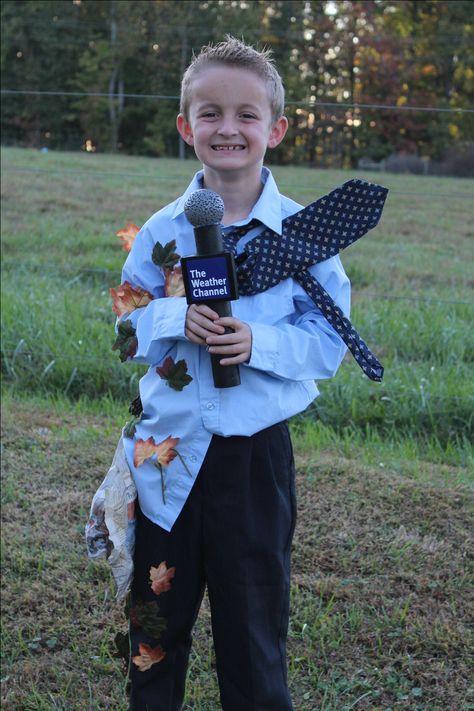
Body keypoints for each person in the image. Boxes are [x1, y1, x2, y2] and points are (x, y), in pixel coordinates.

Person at [118, 36, 350, 711]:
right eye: (210, 113)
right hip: (166, 458)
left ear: (274, 129)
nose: (228, 128)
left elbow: (328, 344)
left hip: (254, 463)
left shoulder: (305, 235)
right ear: (186, 125)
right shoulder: (162, 234)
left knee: (253, 629)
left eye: (246, 115)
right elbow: (122, 331)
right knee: (156, 623)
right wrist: (170, 319)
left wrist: (259, 341)